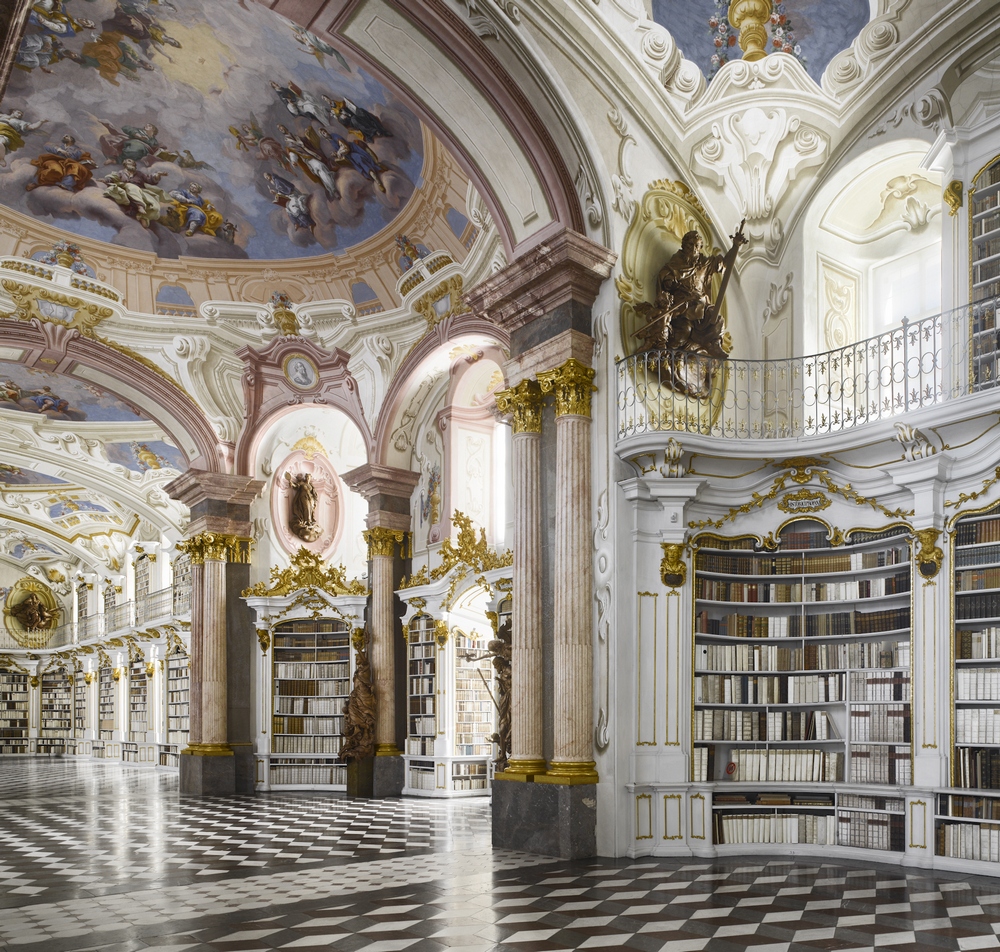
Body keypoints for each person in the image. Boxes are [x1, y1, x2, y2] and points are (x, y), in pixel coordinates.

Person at [101, 157, 169, 228]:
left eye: (133, 164)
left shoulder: (139, 174)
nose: (132, 164)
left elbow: (150, 180)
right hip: (126, 190)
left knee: (154, 205)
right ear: (125, 165)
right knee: (131, 187)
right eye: (129, 162)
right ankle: (140, 206)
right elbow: (113, 177)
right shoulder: (121, 173)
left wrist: (158, 175)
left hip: (140, 192)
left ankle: (143, 216)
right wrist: (105, 180)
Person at [27, 135, 96, 192]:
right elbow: (46, 145)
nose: (64, 137)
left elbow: (85, 157)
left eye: (66, 136)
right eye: (64, 136)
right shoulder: (59, 146)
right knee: (55, 169)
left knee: (76, 168)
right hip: (56, 161)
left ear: (71, 140)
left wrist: (90, 161)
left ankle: (66, 184)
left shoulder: (78, 150)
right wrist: (59, 150)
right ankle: (35, 182)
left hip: (70, 164)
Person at [289, 472, 321, 542]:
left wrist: (314, 498)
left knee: (310, 509)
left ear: (310, 478)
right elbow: (296, 486)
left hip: (310, 498)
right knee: (306, 508)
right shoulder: (302, 483)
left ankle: (310, 521)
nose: (308, 478)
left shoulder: (311, 485)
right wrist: (292, 484)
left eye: (309, 477)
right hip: (303, 497)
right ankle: (306, 521)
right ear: (305, 478)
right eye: (307, 477)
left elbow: (314, 493)